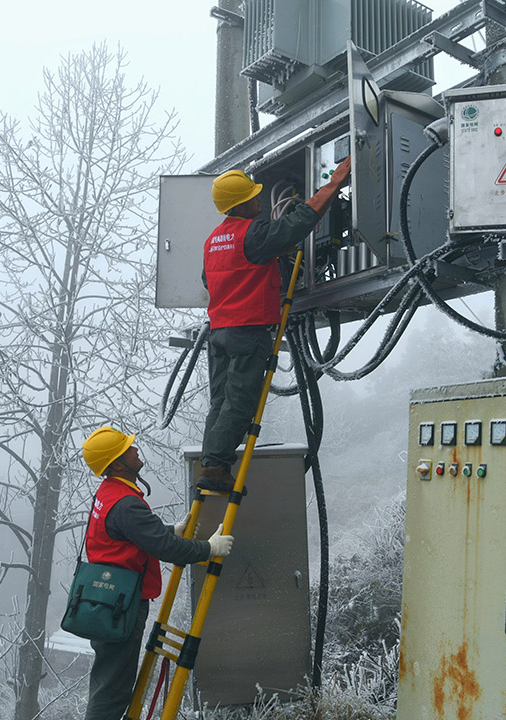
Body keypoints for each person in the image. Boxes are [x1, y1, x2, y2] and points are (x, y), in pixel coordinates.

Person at [197, 157, 352, 493]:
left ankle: (212, 461)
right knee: (240, 403)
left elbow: (209, 283)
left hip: (219, 332)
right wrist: (334, 182)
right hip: (248, 332)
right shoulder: (254, 235)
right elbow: (298, 223)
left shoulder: (213, 241)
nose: (259, 200)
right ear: (242, 203)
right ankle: (216, 466)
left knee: (221, 402)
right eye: (253, 196)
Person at [80, 426, 233, 720]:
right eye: (128, 449)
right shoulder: (126, 503)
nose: (135, 449)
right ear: (116, 464)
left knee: (107, 683)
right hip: (120, 606)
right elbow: (165, 548)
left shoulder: (109, 493)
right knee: (113, 691)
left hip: (105, 600)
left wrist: (169, 531)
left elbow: (128, 534)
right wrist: (208, 548)